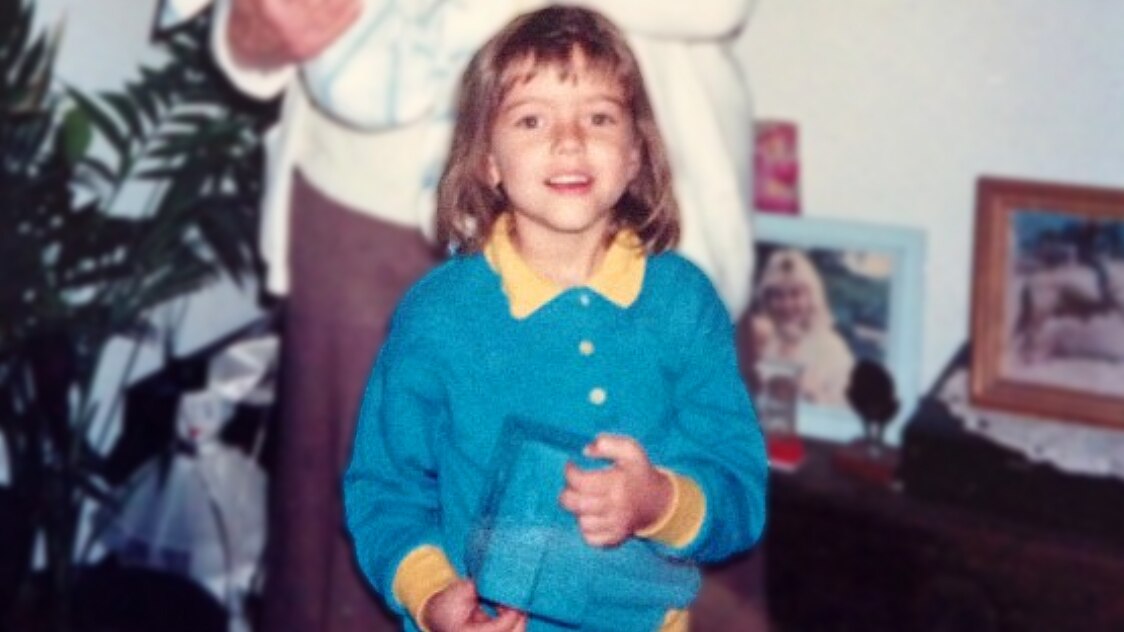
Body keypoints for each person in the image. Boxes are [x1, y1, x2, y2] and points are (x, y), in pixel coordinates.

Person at [187, 0, 759, 630]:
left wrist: (660, 503)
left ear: (635, 153)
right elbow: (386, 491)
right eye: (533, 120)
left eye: (597, 119)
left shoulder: (681, 304)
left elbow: (734, 486)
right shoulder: (437, 317)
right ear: (486, 161)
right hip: (365, 190)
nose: (568, 141)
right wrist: (431, 597)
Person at [751, 248, 855, 407]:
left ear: (811, 297)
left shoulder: (833, 349)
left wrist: (815, 397)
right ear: (766, 299)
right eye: (777, 295)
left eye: (795, 294)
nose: (787, 305)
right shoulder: (756, 342)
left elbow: (846, 412)